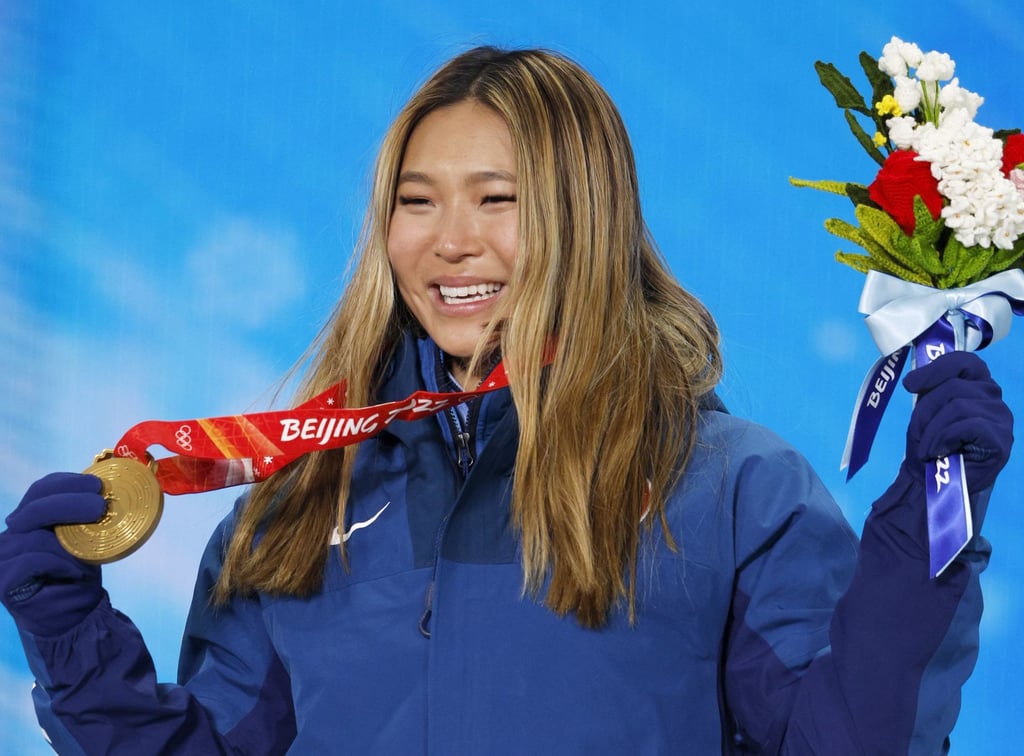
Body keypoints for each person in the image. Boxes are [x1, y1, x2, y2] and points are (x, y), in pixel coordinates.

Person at [0, 46, 1014, 755]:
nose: (450, 242)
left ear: (584, 215)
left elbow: (843, 742)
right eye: (416, 200)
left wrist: (924, 537)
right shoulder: (300, 505)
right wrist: (71, 640)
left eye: (499, 199)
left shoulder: (729, 491)